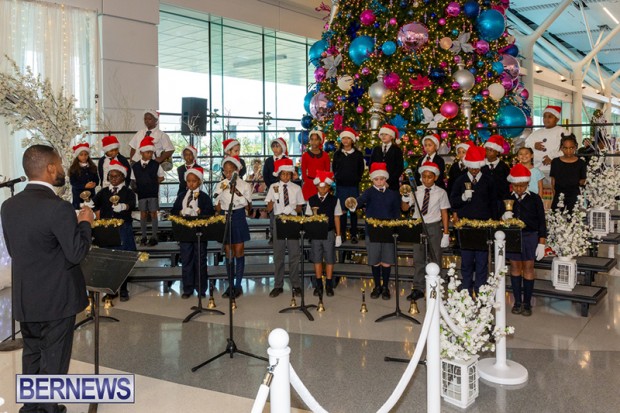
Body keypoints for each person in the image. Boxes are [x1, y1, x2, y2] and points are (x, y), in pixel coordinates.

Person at [1, 144, 93, 413]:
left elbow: (15, 250)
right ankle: (49, 409)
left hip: (26, 295)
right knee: (54, 355)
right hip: (57, 297)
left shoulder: (8, 206)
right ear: (51, 168)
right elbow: (76, 253)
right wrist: (85, 223)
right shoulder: (58, 208)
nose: (63, 169)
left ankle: (31, 407)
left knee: (32, 351)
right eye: (60, 164)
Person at [348, 162, 401, 300]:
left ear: (385, 179)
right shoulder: (369, 192)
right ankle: (377, 286)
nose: (379, 182)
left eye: (382, 179)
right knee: (375, 260)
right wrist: (353, 204)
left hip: (388, 231)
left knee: (387, 260)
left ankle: (385, 287)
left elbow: (396, 213)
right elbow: (359, 202)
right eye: (376, 179)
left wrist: (395, 228)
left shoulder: (393, 194)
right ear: (372, 180)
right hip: (372, 231)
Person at [449, 145, 498, 293]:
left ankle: (480, 288)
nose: (474, 171)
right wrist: (463, 198)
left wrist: (494, 222)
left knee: (482, 259)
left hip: (483, 225)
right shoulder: (460, 180)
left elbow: (494, 202)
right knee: (467, 259)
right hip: (466, 226)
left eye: (477, 168)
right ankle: (466, 287)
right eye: (471, 168)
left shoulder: (489, 180)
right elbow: (453, 201)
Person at [501, 164, 547, 317]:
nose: (519, 189)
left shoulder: (534, 198)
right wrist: (504, 217)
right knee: (515, 267)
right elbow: (498, 218)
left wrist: (541, 242)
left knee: (528, 268)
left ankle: (527, 303)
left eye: (522, 185)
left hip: (530, 236)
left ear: (527, 183)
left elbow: (542, 221)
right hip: (513, 236)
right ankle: (517, 302)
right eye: (516, 186)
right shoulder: (507, 198)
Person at [401, 161, 451, 301]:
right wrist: (405, 198)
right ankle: (418, 288)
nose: (426, 180)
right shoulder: (415, 190)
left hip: (434, 226)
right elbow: (404, 208)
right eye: (424, 177)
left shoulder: (441, 192)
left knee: (435, 256)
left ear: (435, 177)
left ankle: (436, 286)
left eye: (430, 177)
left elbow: (444, 213)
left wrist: (446, 233)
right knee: (419, 259)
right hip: (418, 226)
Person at [93, 160, 137, 301]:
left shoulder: (128, 192)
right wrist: (89, 205)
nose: (113, 179)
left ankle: (123, 289)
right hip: (108, 230)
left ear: (123, 177)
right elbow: (94, 203)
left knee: (123, 259)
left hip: (123, 229)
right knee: (109, 260)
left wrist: (123, 206)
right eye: (110, 176)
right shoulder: (104, 192)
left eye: (116, 176)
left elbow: (132, 204)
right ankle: (111, 289)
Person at [170, 166, 215, 298]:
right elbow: (173, 211)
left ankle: (201, 288)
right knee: (186, 260)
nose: (191, 184)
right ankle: (188, 288)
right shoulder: (182, 196)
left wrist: (199, 211)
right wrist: (181, 212)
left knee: (200, 261)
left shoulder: (204, 197)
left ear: (199, 182)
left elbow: (210, 213)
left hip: (200, 233)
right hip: (185, 233)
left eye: (194, 181)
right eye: (189, 181)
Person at [265, 158, 305, 297]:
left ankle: (296, 285)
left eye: (288, 174)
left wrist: (293, 207)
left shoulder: (296, 188)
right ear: (279, 174)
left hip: (292, 220)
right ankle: (278, 285)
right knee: (279, 255)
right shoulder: (273, 187)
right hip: (279, 221)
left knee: (294, 254)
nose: (286, 176)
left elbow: (300, 208)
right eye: (283, 174)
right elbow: (268, 208)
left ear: (292, 174)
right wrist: (272, 202)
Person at [214, 155, 252, 298]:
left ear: (237, 170)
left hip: (239, 216)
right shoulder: (221, 185)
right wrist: (219, 205)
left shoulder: (244, 185)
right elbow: (217, 205)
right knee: (228, 251)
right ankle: (230, 285)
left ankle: (238, 285)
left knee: (239, 250)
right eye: (226, 171)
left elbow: (248, 205)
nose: (228, 173)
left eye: (231, 171)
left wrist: (235, 190)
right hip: (226, 216)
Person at [305, 170, 342, 297]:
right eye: (320, 187)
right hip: (316, 235)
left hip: (329, 233)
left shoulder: (334, 200)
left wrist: (338, 235)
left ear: (329, 187)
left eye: (325, 187)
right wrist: (310, 232)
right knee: (317, 259)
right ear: (316, 186)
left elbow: (337, 217)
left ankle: (329, 284)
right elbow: (308, 218)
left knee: (330, 259)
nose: (323, 190)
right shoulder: (311, 200)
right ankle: (319, 284)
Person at [332, 127, 364, 244]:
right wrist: (338, 177)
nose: (345, 140)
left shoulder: (358, 154)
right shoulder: (337, 154)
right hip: (341, 186)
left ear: (352, 140)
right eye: (343, 138)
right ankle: (342, 234)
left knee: (353, 209)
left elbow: (361, 169)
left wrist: (356, 179)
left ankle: (354, 234)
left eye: (348, 138)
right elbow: (334, 168)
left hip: (353, 186)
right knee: (342, 211)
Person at [132, 136, 165, 246]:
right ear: (141, 152)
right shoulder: (135, 166)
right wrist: (136, 188)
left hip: (152, 193)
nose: (150, 154)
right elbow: (133, 179)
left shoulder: (156, 165)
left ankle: (154, 236)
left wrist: (153, 182)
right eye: (147, 152)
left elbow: (161, 177)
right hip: (141, 193)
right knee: (143, 214)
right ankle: (144, 236)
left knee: (154, 213)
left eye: (151, 152)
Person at [525, 105, 564, 178]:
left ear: (557, 119)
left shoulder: (562, 131)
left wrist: (552, 157)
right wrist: (534, 145)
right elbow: (526, 144)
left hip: (556, 169)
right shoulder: (537, 132)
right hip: (538, 169)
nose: (546, 119)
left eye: (550, 117)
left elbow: (566, 149)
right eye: (544, 117)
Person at [550, 133, 587, 211]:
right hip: (559, 194)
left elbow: (583, 179)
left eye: (571, 148)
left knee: (574, 215)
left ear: (575, 147)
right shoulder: (555, 162)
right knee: (555, 215)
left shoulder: (581, 163)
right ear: (561, 148)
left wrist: (573, 184)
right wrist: (554, 191)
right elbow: (553, 179)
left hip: (574, 194)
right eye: (565, 148)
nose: (568, 151)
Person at [369, 124, 404, 191]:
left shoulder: (397, 150)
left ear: (391, 136)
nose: (383, 136)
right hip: (377, 184)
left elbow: (399, 168)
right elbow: (371, 165)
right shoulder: (376, 149)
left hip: (392, 184)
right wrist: (376, 179)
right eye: (382, 134)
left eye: (386, 134)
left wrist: (388, 182)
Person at [481, 134, 511, 210]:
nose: (488, 152)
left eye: (491, 150)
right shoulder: (481, 166)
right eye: (487, 149)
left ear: (497, 152)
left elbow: (507, 184)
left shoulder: (503, 167)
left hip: (500, 200)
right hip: (484, 200)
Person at [301, 127, 331, 200]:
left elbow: (327, 171)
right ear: (309, 141)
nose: (314, 142)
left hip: (321, 185)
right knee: (309, 204)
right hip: (309, 184)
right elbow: (303, 171)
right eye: (312, 139)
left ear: (320, 141)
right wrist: (308, 182)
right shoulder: (305, 155)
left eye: (316, 139)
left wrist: (323, 184)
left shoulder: (325, 155)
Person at [69, 142, 99, 210]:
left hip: (91, 195)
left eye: (85, 154)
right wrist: (84, 186)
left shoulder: (93, 167)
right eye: (81, 155)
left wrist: (94, 184)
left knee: (91, 211)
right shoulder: (73, 168)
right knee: (80, 212)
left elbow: (97, 180)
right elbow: (73, 182)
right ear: (77, 156)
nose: (84, 157)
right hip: (78, 196)